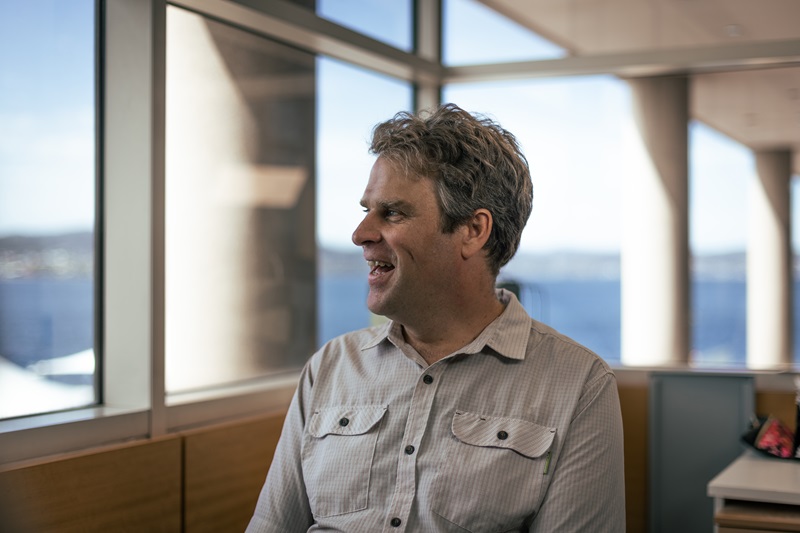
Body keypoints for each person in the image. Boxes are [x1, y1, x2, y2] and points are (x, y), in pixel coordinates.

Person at [246, 103, 625, 532]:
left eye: (392, 213)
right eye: (366, 210)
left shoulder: (579, 387)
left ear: (472, 231)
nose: (360, 234)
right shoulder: (330, 368)